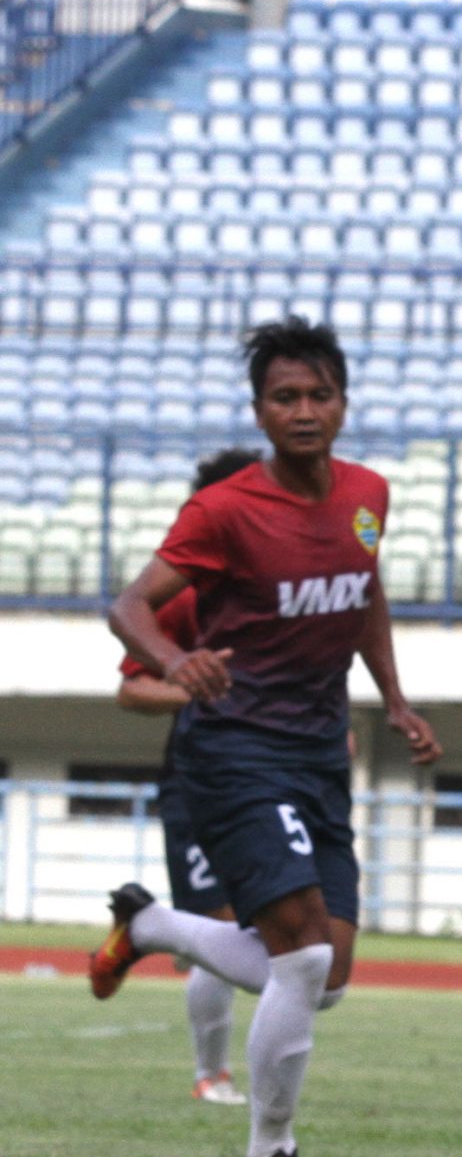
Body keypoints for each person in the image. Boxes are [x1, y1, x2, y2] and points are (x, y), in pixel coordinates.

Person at [92, 317, 442, 1157]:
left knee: (329, 972)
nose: (304, 409)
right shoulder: (225, 510)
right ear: (259, 410)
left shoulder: (368, 494)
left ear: (343, 402)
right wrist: (179, 661)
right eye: (286, 395)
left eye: (319, 393)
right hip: (235, 750)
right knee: (305, 954)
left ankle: (152, 927)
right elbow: (129, 607)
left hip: (320, 748)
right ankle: (266, 1151)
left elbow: (365, 597)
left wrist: (393, 699)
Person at [113, 446, 263, 1104]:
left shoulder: (279, 591)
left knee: (284, 932)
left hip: (277, 772)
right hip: (199, 779)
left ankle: (160, 930)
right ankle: (213, 1074)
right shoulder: (183, 597)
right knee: (220, 919)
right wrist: (193, 686)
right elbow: (129, 691)